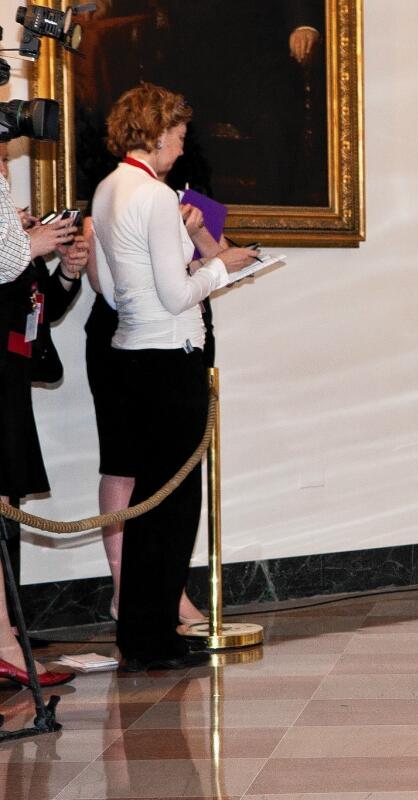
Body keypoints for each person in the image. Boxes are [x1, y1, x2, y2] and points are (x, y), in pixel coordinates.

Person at [91, 83, 257, 671]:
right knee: (173, 503)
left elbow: (112, 288)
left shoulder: (108, 188)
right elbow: (178, 293)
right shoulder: (156, 196)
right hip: (171, 357)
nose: (182, 148)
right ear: (158, 133)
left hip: (131, 352)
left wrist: (189, 270)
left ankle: (139, 633)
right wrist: (220, 265)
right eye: (180, 136)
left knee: (145, 505)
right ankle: (156, 638)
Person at [0, 142, 80, 687]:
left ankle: (10, 634)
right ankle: (6, 642)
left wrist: (66, 271)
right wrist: (28, 242)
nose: (6, 168)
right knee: (3, 495)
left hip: (11, 366)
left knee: (10, 497)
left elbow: (31, 301)